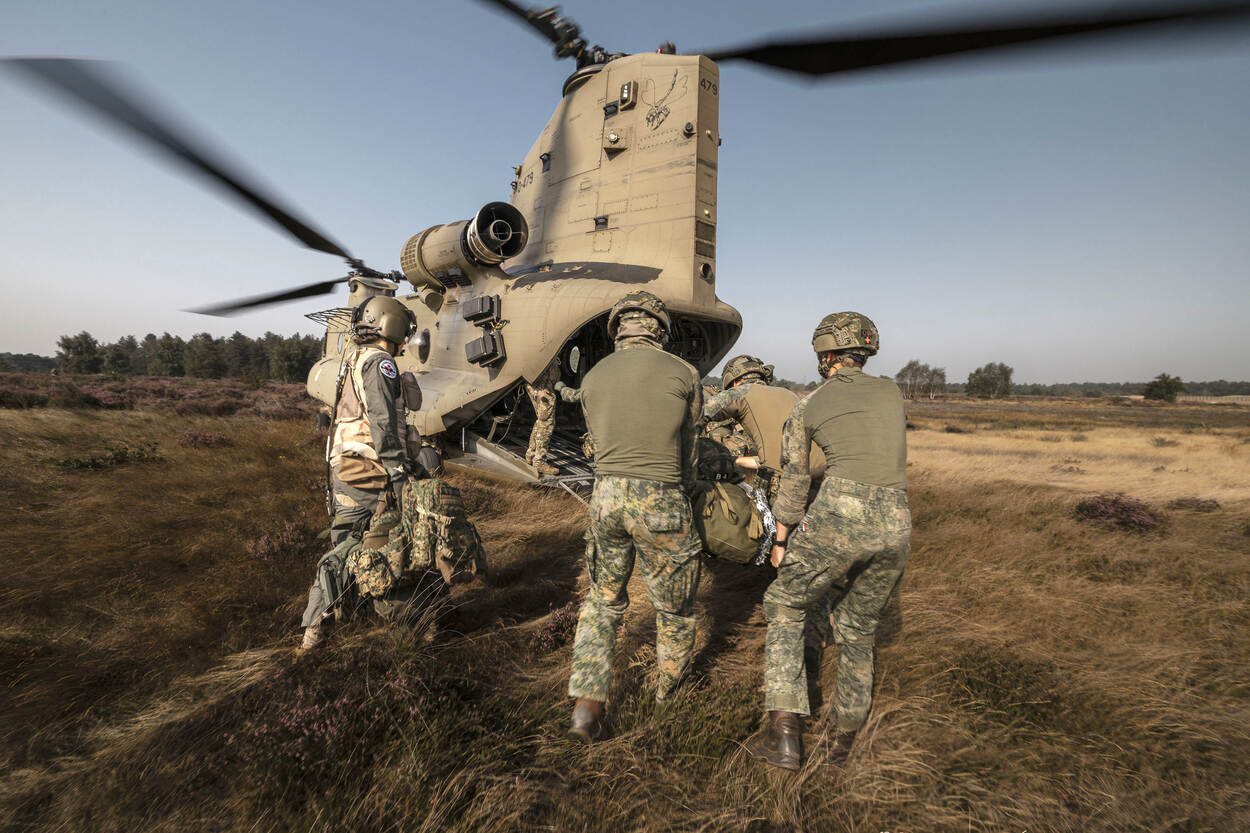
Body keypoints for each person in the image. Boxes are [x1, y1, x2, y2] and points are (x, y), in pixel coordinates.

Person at [747, 312, 910, 771]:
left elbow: (795, 484)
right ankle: (843, 740)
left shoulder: (808, 406)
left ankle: (784, 734)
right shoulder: (892, 393)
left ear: (826, 354)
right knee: (858, 627)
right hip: (897, 522)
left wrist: (780, 540)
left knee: (785, 604)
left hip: (841, 514)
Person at [563, 291, 704, 743]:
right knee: (674, 610)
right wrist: (683, 492)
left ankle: (586, 709)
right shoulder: (684, 373)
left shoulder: (595, 376)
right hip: (661, 497)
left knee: (602, 603)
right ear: (660, 329)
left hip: (605, 498)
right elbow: (690, 451)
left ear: (618, 330)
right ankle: (667, 702)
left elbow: (596, 440)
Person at [300, 295, 418, 650]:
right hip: (369, 470)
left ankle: (317, 628)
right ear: (391, 325)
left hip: (346, 467)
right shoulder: (381, 362)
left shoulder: (354, 357)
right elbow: (383, 423)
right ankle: (405, 625)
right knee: (390, 545)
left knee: (345, 544)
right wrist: (399, 473)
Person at [701, 354, 819, 504]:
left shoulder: (740, 392)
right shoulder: (789, 395)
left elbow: (698, 414)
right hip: (816, 478)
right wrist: (734, 460)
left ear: (734, 382)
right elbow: (774, 455)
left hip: (783, 486)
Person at [524, 357, 562, 476]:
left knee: (541, 420)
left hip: (534, 384)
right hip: (543, 387)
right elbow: (554, 376)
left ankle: (531, 454)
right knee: (547, 423)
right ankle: (539, 461)